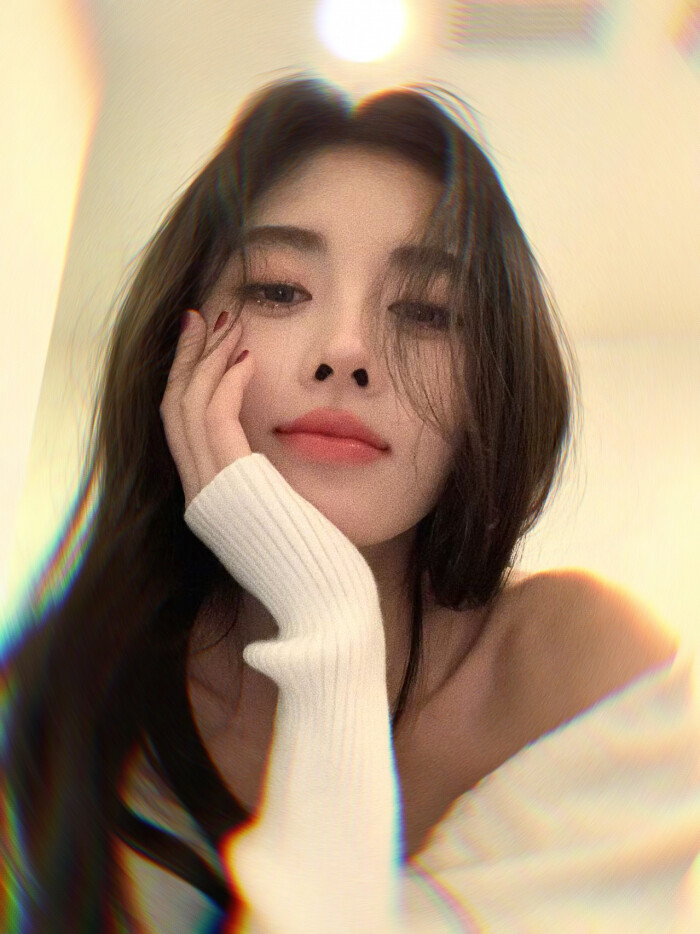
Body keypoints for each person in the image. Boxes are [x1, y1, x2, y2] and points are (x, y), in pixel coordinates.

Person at [1, 73, 698, 933]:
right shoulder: (64, 701)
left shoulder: (593, 678)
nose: (346, 351)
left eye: (428, 311)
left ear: (491, 388)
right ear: (180, 343)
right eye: (279, 290)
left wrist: (327, 621)